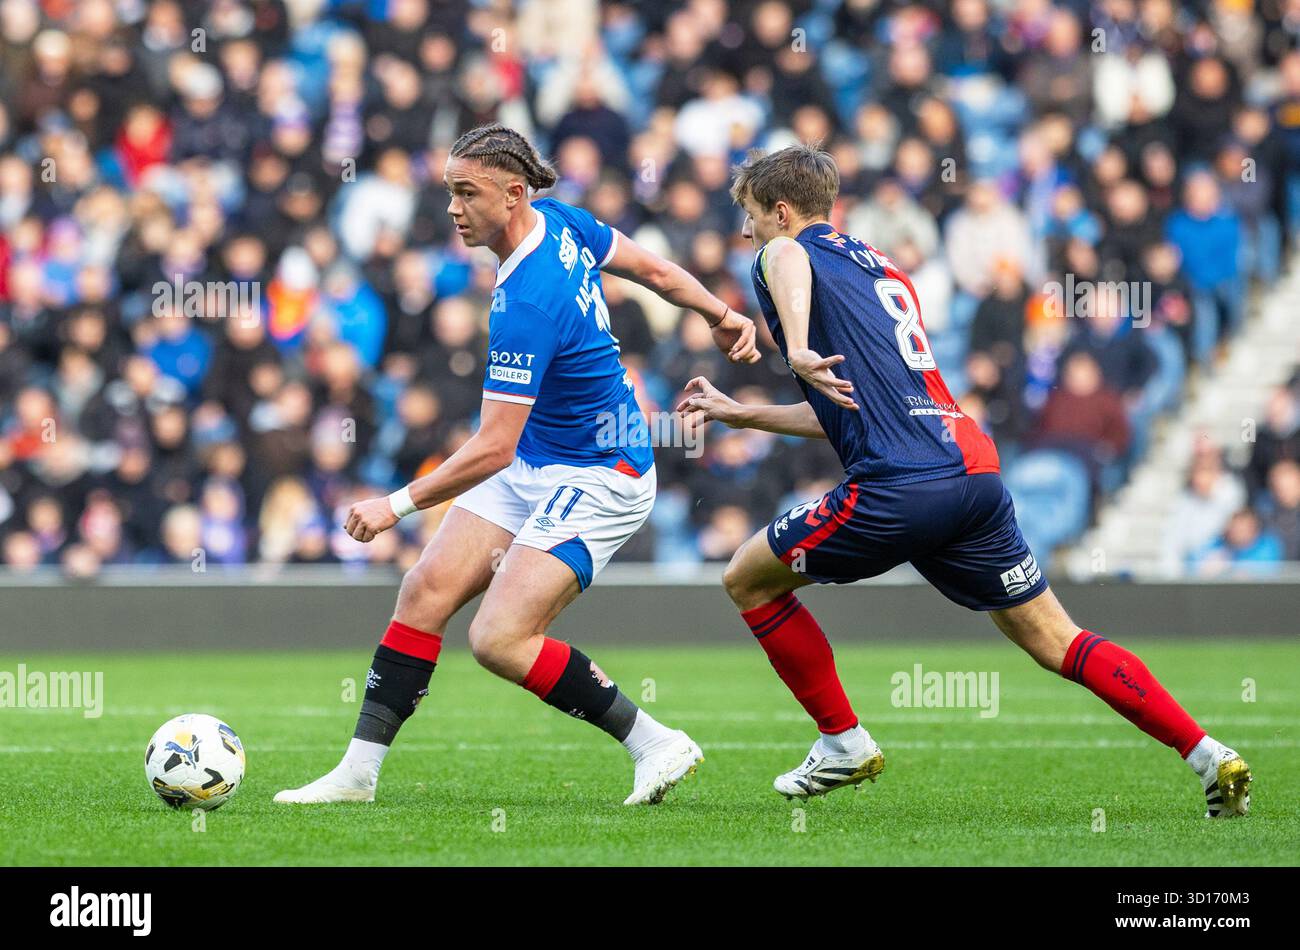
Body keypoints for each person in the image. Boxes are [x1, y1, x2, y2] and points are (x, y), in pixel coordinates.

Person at [677, 145, 1251, 818]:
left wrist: (796, 345)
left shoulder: (786, 253)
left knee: (746, 578)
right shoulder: (882, 266)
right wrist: (742, 411)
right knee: (1054, 637)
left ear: (780, 210)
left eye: (750, 215)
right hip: (970, 472)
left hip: (901, 485)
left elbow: (784, 258)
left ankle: (842, 740)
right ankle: (1208, 755)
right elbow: (854, 406)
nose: (746, 232)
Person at [275, 124, 760, 807]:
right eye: (449, 191)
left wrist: (396, 505)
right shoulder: (558, 220)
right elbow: (651, 270)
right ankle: (357, 775)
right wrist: (718, 312)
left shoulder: (527, 299)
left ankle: (655, 741)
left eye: (465, 192)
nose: (452, 207)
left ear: (512, 194)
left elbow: (492, 446)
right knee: (424, 591)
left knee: (499, 639)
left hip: (600, 473)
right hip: (538, 456)